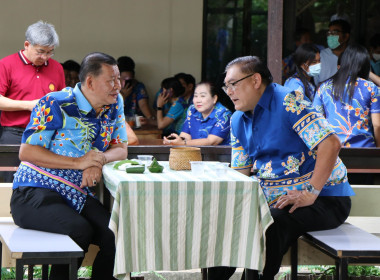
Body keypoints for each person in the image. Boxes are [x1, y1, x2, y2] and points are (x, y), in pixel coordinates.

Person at [207, 56, 354, 280]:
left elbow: (331, 143)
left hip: (325, 198)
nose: (228, 91)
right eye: (226, 85)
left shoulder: (288, 101)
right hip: (277, 200)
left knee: (271, 222)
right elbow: (241, 174)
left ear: (255, 80)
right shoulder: (237, 119)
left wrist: (311, 192)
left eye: (233, 84)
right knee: (226, 221)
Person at [10, 52, 128, 280]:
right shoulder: (55, 103)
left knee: (114, 232)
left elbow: (121, 148)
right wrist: (79, 162)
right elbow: (26, 152)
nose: (118, 86)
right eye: (111, 80)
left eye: (119, 79)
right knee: (79, 230)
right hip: (33, 192)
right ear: (91, 82)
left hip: (76, 194)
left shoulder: (115, 104)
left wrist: (97, 160)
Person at [0, 20, 65, 144]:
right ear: (26, 44)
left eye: (49, 52)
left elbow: (61, 100)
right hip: (15, 133)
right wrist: (29, 105)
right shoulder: (6, 64)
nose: (45, 57)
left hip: (48, 133)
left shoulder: (57, 68)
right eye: (40, 52)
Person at [313, 44, 380, 147]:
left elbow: (316, 121)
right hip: (365, 150)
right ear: (366, 65)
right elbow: (377, 125)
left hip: (332, 150)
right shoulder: (371, 88)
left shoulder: (323, 88)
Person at [163, 81, 231, 146]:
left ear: (214, 98)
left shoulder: (224, 114)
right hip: (196, 155)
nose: (198, 100)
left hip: (219, 156)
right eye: (195, 96)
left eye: (202, 96)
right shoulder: (192, 110)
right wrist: (174, 140)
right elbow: (185, 136)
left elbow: (211, 141)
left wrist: (183, 143)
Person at [117, 56, 154, 121]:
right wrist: (123, 96)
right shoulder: (111, 88)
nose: (126, 82)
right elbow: (109, 111)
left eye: (129, 79)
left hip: (136, 122)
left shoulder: (138, 87)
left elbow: (143, 105)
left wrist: (150, 118)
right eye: (124, 79)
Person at [314, 19, 351, 85]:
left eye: (334, 32)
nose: (330, 35)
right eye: (329, 33)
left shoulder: (355, 56)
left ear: (346, 36)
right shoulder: (320, 56)